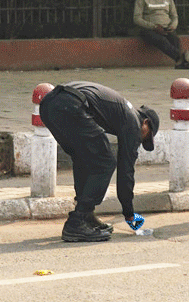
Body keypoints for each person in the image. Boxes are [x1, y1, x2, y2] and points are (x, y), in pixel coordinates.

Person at [34, 81, 159, 242]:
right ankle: (78, 221)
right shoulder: (134, 122)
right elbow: (125, 171)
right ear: (146, 123)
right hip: (71, 105)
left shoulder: (120, 110)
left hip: (49, 105)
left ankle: (85, 215)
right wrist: (129, 213)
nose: (141, 139)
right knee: (105, 162)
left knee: (83, 157)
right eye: (147, 136)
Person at [133, 0, 189, 69]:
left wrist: (173, 26)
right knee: (161, 40)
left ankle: (180, 62)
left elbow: (174, 16)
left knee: (174, 39)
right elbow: (137, 18)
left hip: (166, 27)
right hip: (149, 29)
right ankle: (182, 57)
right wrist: (153, 26)